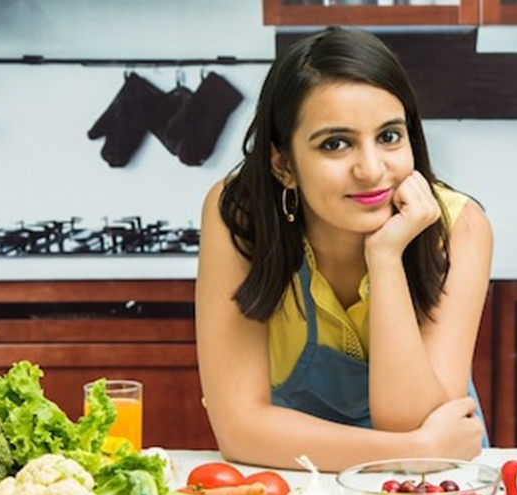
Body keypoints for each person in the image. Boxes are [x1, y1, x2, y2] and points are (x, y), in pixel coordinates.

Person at [195, 28, 492, 471]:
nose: (371, 170)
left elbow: (411, 421)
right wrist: (413, 451)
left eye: (389, 137)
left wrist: (387, 258)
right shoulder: (242, 217)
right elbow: (238, 429)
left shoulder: (459, 227)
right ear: (283, 164)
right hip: (294, 478)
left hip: (429, 487)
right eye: (335, 144)